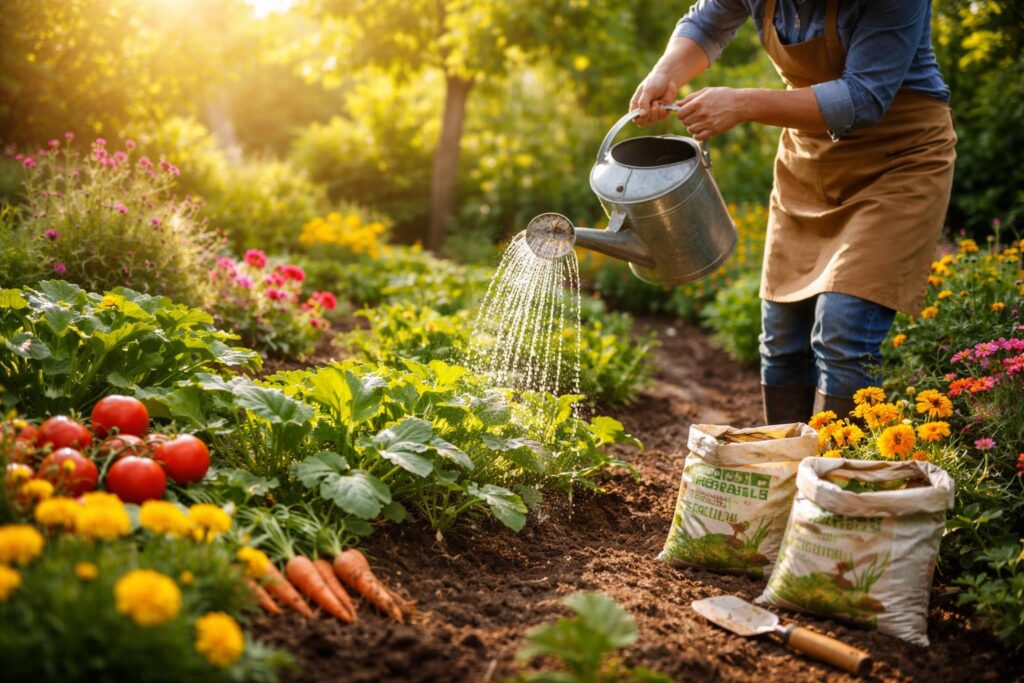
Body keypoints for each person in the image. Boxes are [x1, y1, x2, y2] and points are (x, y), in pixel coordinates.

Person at [631, 0, 956, 424]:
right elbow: (706, 24)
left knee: (844, 331)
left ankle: (835, 479)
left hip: (899, 163)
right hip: (810, 160)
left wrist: (743, 104)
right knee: (782, 338)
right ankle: (786, 475)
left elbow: (863, 99)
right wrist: (665, 73)